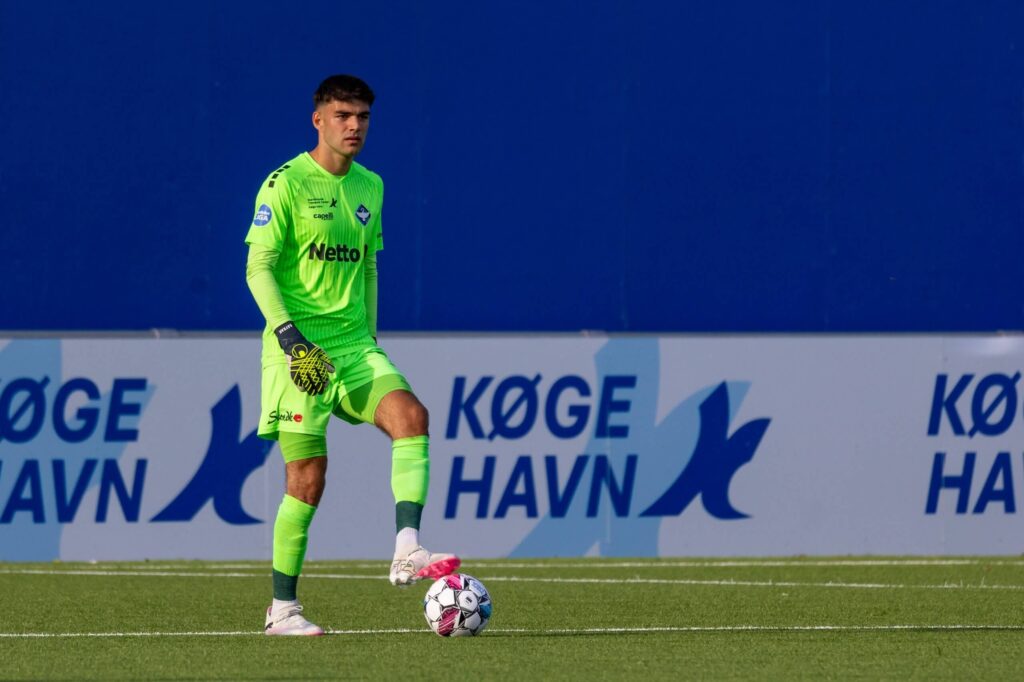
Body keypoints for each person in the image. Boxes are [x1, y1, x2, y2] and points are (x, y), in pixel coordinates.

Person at [244, 74, 459, 636]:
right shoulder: (286, 183)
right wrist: (290, 338)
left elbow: (368, 265)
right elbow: (257, 268)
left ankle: (407, 548)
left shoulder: (371, 186)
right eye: (343, 115)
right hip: (298, 350)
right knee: (307, 479)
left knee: (411, 415)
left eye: (362, 116)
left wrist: (371, 338)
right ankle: (282, 609)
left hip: (355, 346)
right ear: (318, 119)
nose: (354, 126)